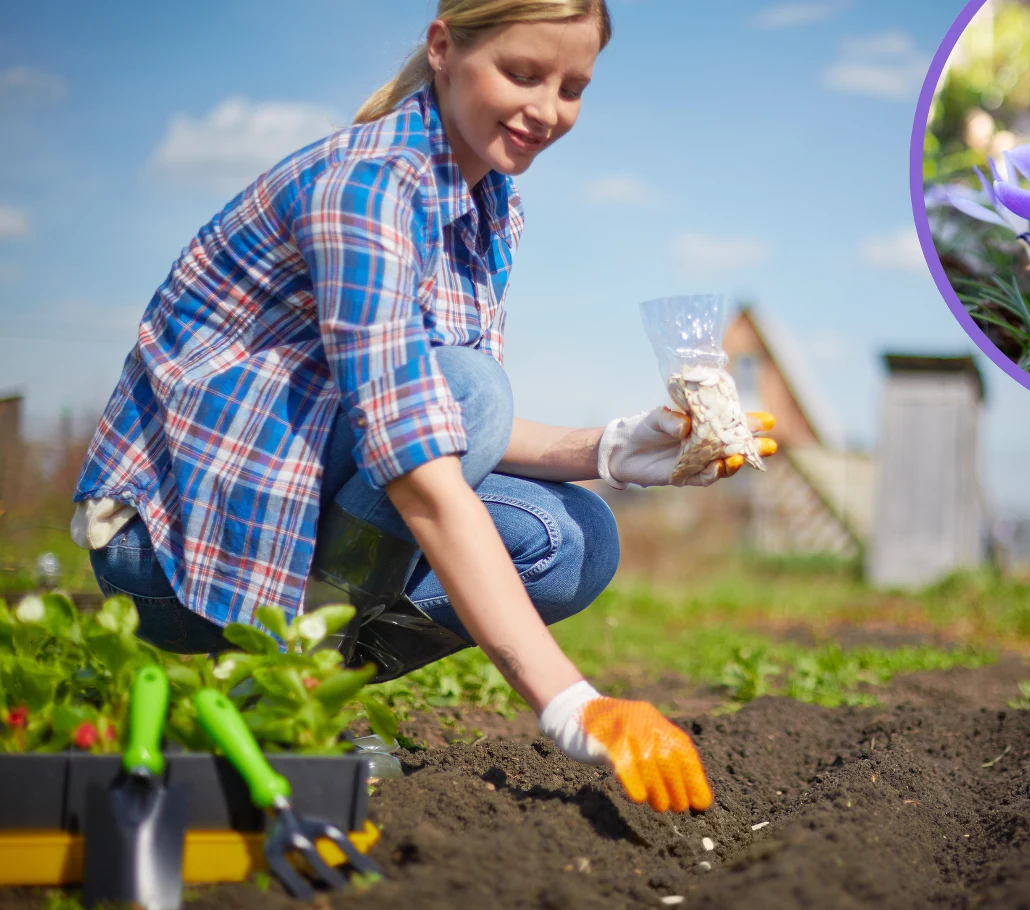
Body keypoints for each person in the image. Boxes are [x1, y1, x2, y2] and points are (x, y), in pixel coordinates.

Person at [69, 0, 776, 815]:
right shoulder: (367, 188)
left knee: (574, 540)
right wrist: (571, 703)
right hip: (174, 547)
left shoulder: (488, 205)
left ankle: (304, 680)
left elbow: (433, 423)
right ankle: (286, 682)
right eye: (522, 73)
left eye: (572, 86)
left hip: (287, 517)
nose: (548, 110)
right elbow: (424, 459)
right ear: (443, 47)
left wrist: (614, 450)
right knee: (472, 388)